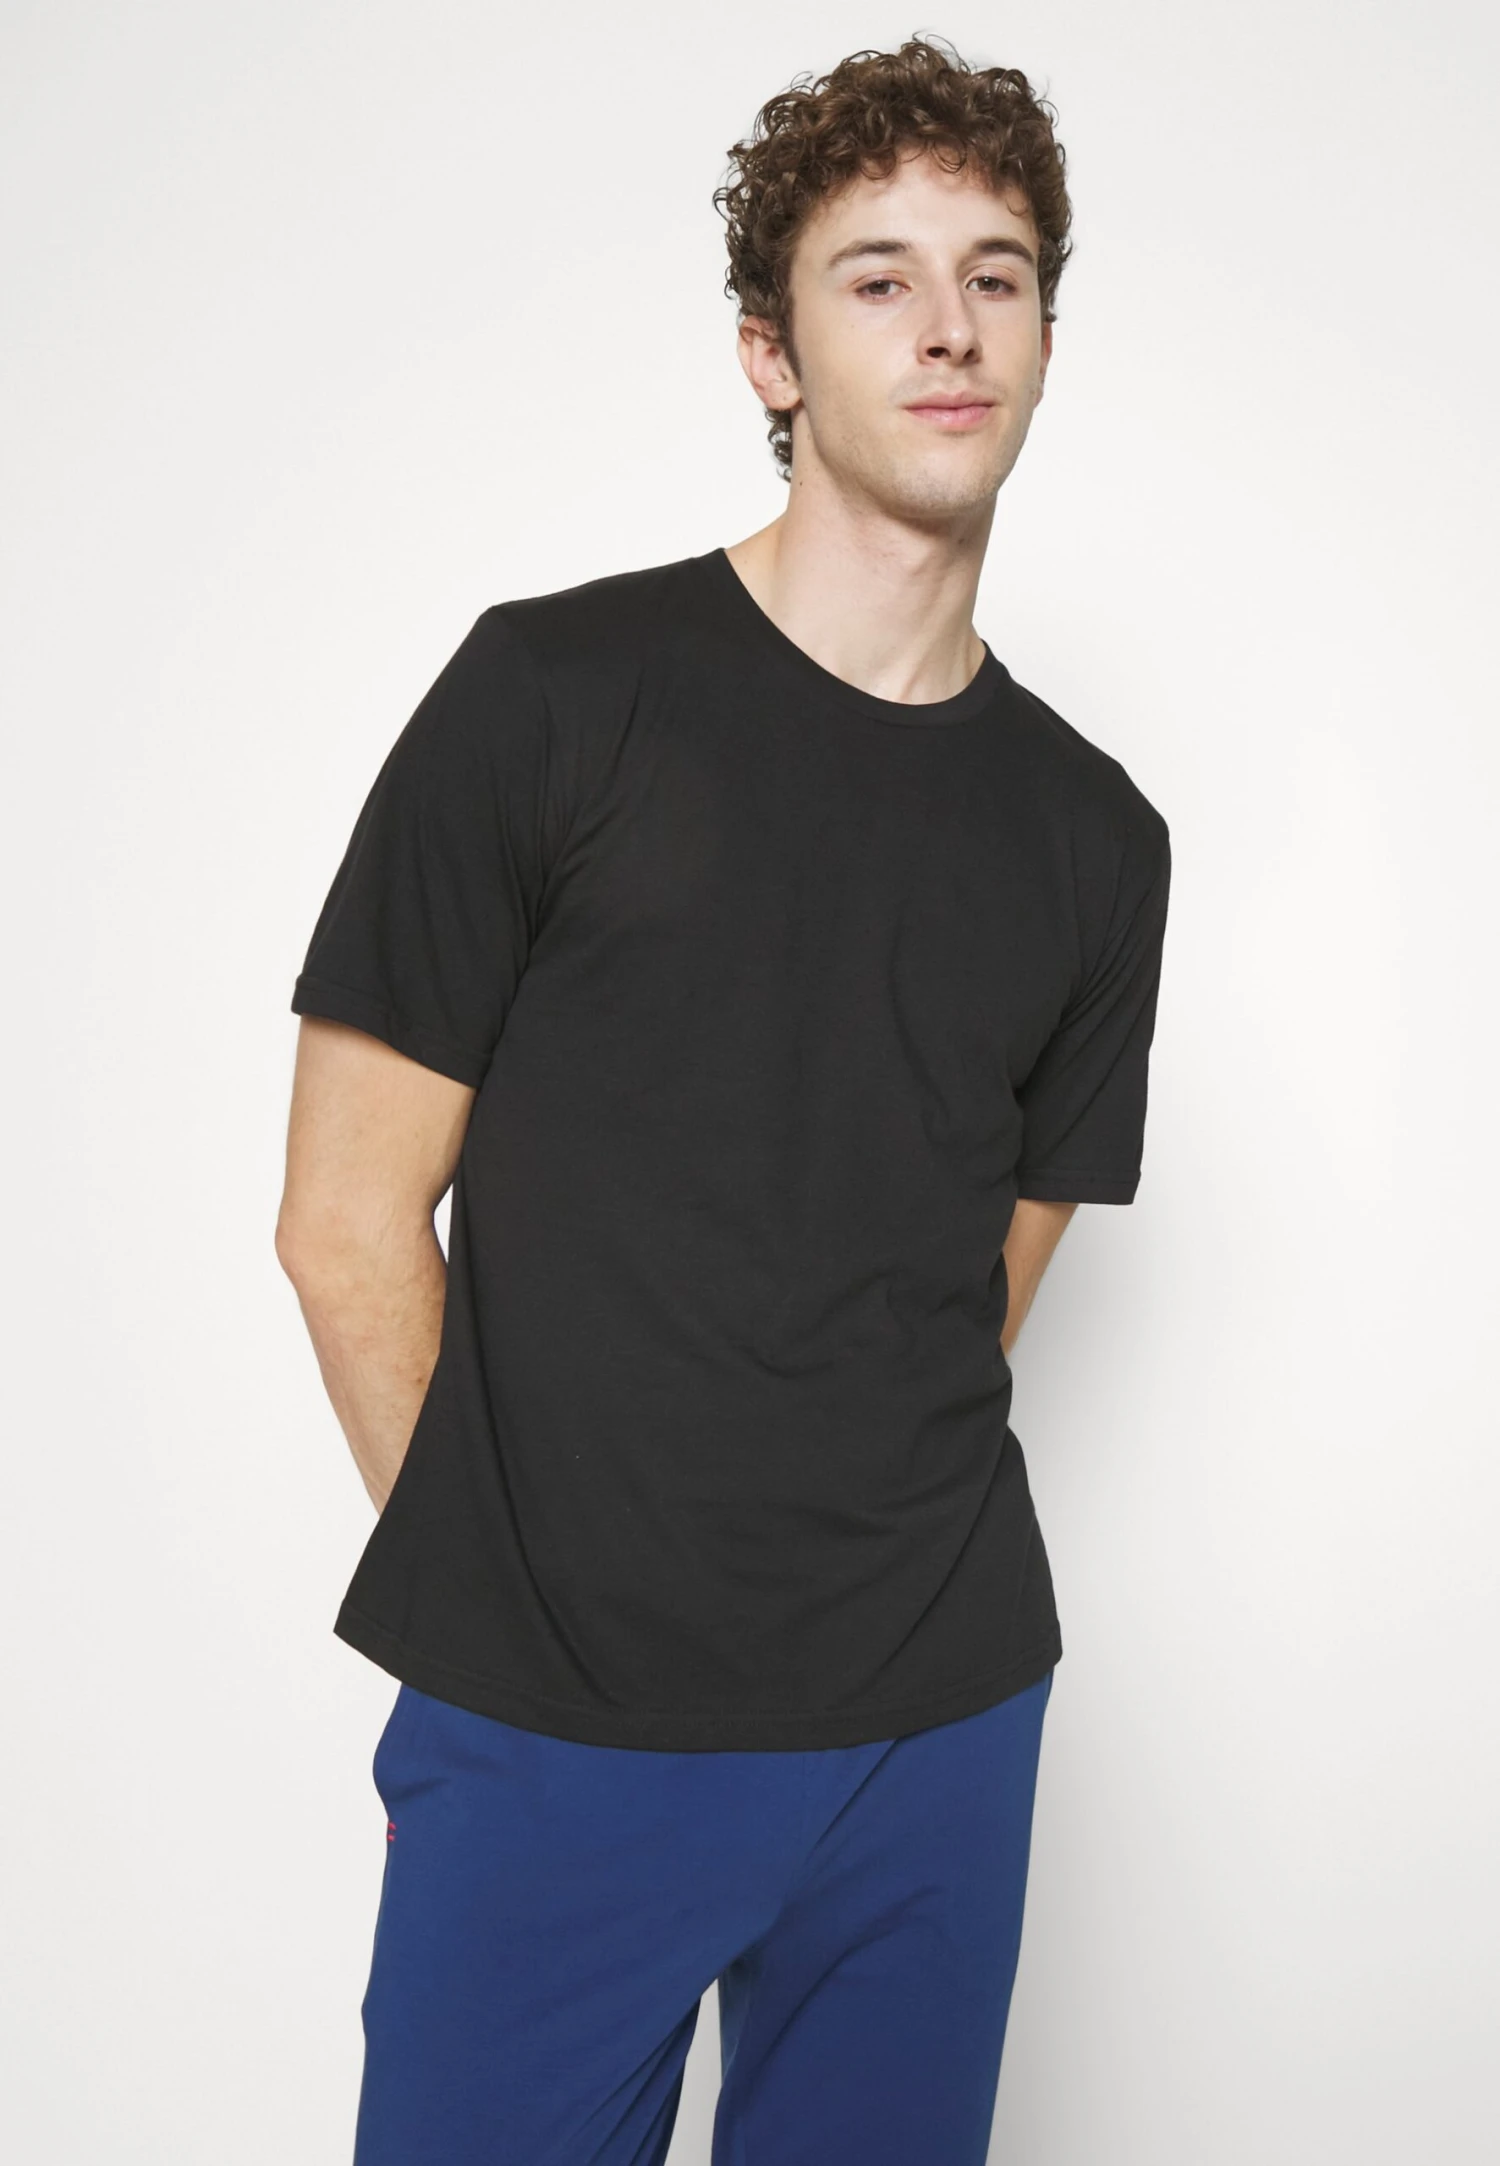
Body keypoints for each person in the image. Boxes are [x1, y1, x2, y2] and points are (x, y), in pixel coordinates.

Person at [276, 33, 1172, 2166]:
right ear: (771, 352)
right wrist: (518, 1615)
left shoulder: (1097, 838)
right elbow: (343, 1221)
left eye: (997, 274)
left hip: (937, 1721)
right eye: (878, 278)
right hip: (558, 1730)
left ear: (1046, 338)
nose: (949, 325)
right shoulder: (550, 699)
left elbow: (973, 1295)